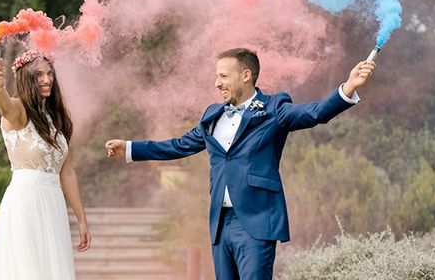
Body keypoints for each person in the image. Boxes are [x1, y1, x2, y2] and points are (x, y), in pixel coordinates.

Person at [105, 47, 375, 279]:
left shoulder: (274, 108)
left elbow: (314, 113)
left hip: (256, 221)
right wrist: (130, 148)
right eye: (216, 76)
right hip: (220, 224)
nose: (216, 83)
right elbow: (178, 146)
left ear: (246, 75)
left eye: (223, 76)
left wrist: (348, 87)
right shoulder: (211, 115)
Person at [0, 49, 90, 280]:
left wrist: (81, 219)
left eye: (50, 73)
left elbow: (68, 173)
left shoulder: (56, 118)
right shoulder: (18, 110)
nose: (47, 79)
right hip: (25, 203)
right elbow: (5, 107)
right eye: (39, 75)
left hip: (53, 206)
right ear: (26, 78)